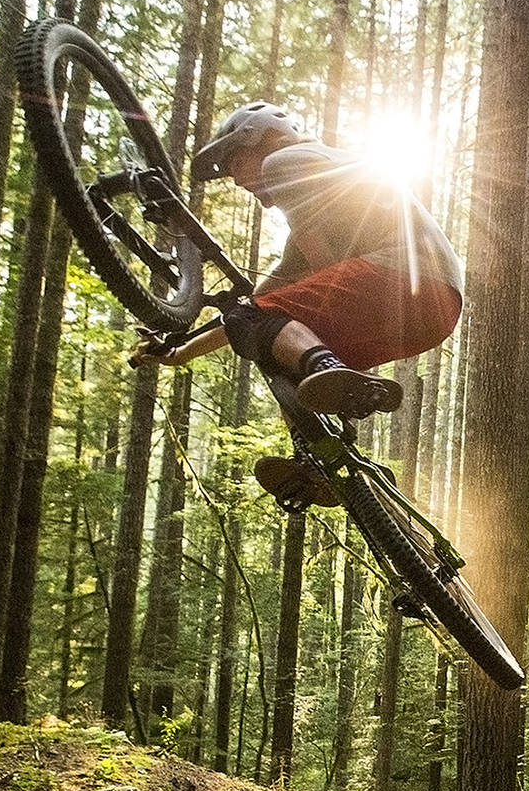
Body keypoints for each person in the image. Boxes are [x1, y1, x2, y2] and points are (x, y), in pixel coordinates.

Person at [131, 101, 464, 508]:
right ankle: (319, 458)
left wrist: (261, 314)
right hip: (431, 311)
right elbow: (257, 307)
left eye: (234, 160)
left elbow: (264, 308)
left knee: (267, 328)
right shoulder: (321, 198)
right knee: (273, 347)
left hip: (402, 281)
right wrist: (182, 352)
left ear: (262, 138)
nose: (234, 179)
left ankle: (327, 370)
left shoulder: (287, 160)